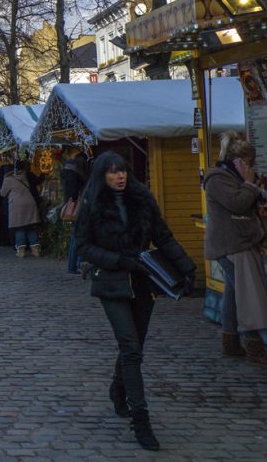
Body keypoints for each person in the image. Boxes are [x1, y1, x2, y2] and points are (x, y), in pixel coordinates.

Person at [75, 151, 196, 451]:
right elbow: (83, 247)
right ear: (102, 176)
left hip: (142, 282)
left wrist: (186, 267)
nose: (120, 176)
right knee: (130, 347)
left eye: (123, 171)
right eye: (113, 172)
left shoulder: (141, 199)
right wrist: (118, 260)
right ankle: (140, 419)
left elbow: (163, 236)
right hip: (111, 282)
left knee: (135, 346)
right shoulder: (92, 203)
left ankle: (119, 389)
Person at [203, 132, 267, 366]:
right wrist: (251, 184)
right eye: (249, 163)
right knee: (246, 294)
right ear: (239, 162)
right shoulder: (218, 179)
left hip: (237, 243)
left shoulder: (229, 177)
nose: (251, 167)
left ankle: (230, 342)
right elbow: (237, 204)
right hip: (231, 245)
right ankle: (254, 346)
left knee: (234, 293)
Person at [0, 160, 42, 258]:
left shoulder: (8, 179)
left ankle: (21, 251)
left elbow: (2, 193)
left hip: (17, 206)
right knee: (31, 226)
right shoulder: (25, 176)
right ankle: (35, 250)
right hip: (30, 202)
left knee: (19, 227)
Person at [61, 153, 89, 273]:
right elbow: (75, 192)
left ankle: (73, 266)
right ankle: (77, 265)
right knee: (79, 238)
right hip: (80, 209)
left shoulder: (67, 172)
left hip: (73, 208)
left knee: (75, 237)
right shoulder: (77, 175)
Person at [0, 161, 15, 247]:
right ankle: (9, 240)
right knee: (9, 222)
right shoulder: (11, 179)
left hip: (1, 205)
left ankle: (3, 241)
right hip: (7, 204)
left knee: (3, 224)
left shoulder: (0, 179)